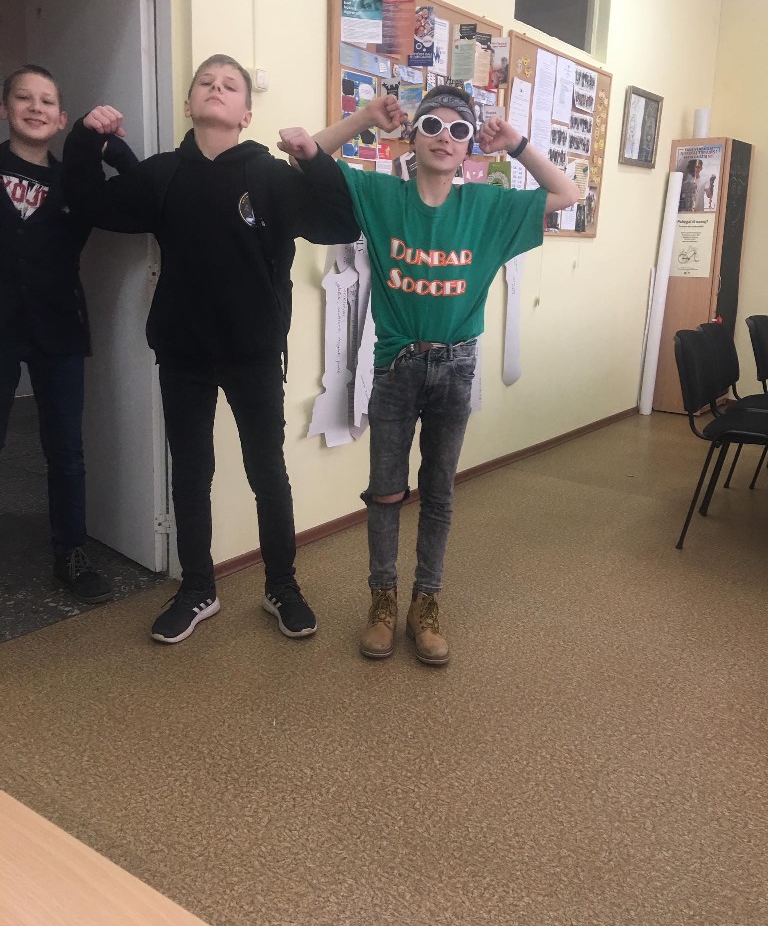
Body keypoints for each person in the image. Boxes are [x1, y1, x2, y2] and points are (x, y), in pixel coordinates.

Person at [62, 54, 360, 644]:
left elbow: (340, 224)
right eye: (207, 83)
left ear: (246, 113)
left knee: (267, 473)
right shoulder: (163, 174)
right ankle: (198, 588)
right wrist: (85, 139)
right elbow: (90, 201)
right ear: (189, 103)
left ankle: (282, 587)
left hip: (254, 353)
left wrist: (313, 158)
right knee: (192, 473)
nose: (217, 89)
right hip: (183, 353)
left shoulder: (270, 175)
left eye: (230, 86)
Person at [278, 85, 579, 666]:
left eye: (459, 130)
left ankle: (426, 603)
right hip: (396, 365)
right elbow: (305, 156)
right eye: (432, 126)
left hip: (456, 366)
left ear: (469, 148)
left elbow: (568, 193)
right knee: (386, 491)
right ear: (412, 139)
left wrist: (516, 144)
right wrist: (366, 117)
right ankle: (382, 602)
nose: (445, 138)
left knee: (439, 492)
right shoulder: (380, 195)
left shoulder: (488, 206)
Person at [1, 64, 137, 604]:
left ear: (61, 120)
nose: (35, 108)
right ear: (6, 109)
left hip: (58, 326)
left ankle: (71, 553)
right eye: (23, 98)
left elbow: (136, 195)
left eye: (47, 102)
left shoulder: (75, 184)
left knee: (66, 448)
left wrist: (107, 146)